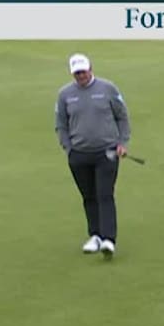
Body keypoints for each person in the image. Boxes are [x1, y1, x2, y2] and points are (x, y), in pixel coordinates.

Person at [54, 53, 130, 258]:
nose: (81, 76)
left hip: (107, 152)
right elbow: (61, 124)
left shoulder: (107, 88)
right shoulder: (65, 95)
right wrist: (68, 148)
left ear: (90, 68)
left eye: (83, 71)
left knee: (104, 194)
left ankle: (108, 239)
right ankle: (95, 236)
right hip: (79, 154)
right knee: (88, 196)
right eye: (77, 73)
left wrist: (122, 142)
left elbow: (122, 116)